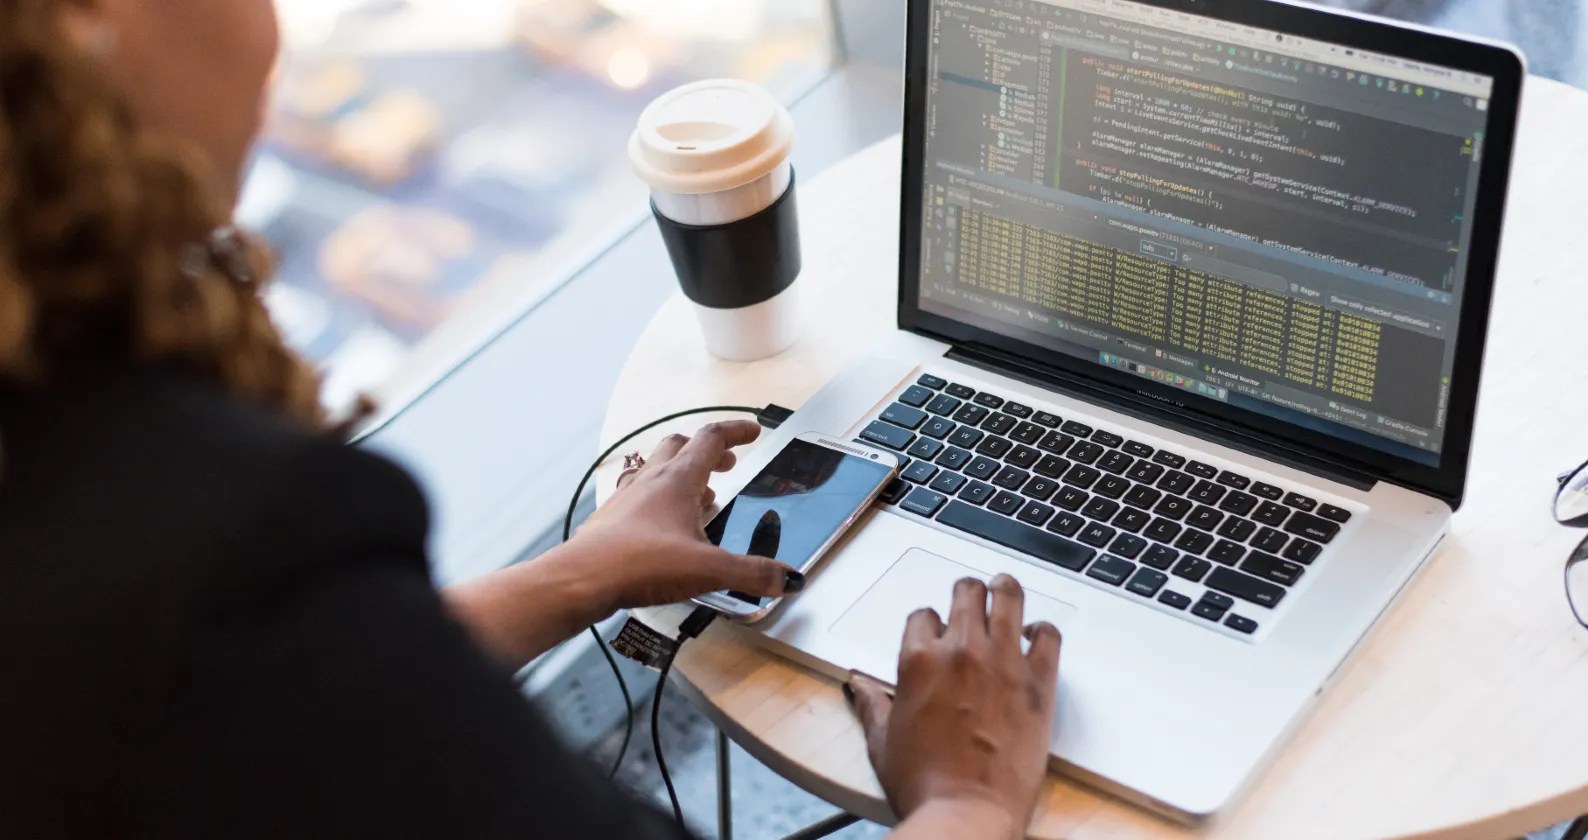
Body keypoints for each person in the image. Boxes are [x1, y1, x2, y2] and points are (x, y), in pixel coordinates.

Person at [0, 1, 1065, 837]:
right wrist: (965, 806)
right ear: (80, 28)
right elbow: (236, 654)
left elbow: (254, 707)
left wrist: (581, 570)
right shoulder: (220, 533)